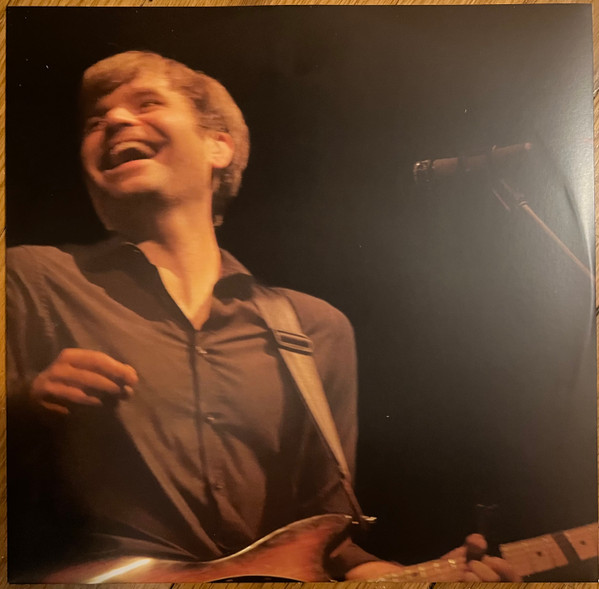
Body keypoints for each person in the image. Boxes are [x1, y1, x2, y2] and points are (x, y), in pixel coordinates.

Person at [7, 51, 518, 583]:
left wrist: (402, 577)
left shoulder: (315, 329)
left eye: (147, 103)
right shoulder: (29, 280)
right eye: (95, 121)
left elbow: (322, 535)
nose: (113, 120)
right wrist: (23, 404)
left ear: (218, 145)